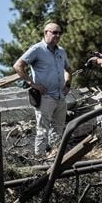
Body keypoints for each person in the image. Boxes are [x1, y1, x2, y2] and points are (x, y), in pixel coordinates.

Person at [13, 21, 72, 158]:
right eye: (54, 32)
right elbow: (18, 65)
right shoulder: (37, 49)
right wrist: (31, 83)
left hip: (60, 97)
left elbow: (68, 69)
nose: (57, 35)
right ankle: (39, 161)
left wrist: (68, 84)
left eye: (59, 33)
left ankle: (54, 159)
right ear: (46, 33)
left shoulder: (61, 51)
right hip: (45, 97)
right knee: (42, 131)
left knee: (58, 130)